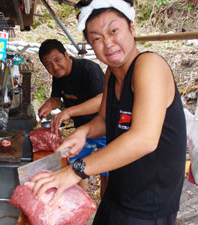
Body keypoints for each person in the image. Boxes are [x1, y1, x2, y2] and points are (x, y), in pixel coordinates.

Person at [30, 1, 187, 225]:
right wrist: (83, 131)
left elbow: (144, 139)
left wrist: (77, 170)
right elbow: (104, 120)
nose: (107, 43)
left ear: (131, 28)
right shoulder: (111, 75)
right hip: (118, 191)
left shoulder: (150, 66)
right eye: (96, 38)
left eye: (113, 31)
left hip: (149, 204)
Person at [37, 39, 108, 195]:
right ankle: (82, 201)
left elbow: (101, 101)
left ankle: (105, 205)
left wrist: (68, 112)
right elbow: (56, 98)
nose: (55, 67)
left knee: (107, 172)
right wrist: (48, 105)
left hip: (104, 128)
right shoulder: (58, 76)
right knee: (74, 166)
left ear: (66, 55)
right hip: (82, 131)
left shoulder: (88, 69)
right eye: (48, 64)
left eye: (57, 60)